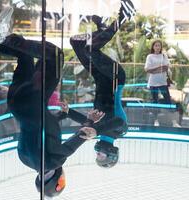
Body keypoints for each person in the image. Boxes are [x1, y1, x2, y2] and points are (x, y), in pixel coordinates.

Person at [0, 7, 108, 198]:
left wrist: (90, 123)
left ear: (56, 181)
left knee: (56, 56)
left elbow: (82, 135)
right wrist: (62, 115)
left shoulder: (55, 161)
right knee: (24, 55)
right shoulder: (25, 159)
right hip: (16, 103)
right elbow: (39, 131)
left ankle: (4, 38)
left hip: (33, 102)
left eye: (62, 181)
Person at [70, 0, 136, 168]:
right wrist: (96, 131)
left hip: (100, 77)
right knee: (90, 50)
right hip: (115, 78)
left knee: (76, 42)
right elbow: (117, 122)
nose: (97, 153)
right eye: (100, 156)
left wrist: (67, 112)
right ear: (111, 153)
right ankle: (123, 17)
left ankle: (101, 30)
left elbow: (83, 119)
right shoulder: (118, 131)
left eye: (97, 156)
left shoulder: (97, 129)